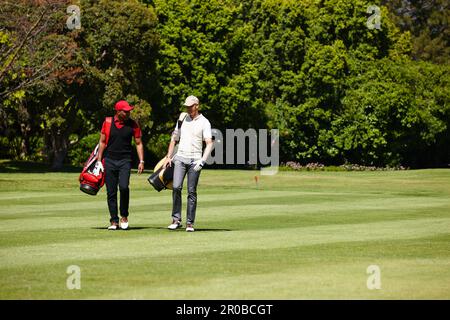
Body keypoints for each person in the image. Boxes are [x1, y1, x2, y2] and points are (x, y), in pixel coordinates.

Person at [163, 95, 213, 232]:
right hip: (180, 158)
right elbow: (174, 138)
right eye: (187, 106)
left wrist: (202, 161)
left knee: (192, 191)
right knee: (176, 187)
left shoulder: (204, 122)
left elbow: (209, 143)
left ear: (197, 106)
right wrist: (169, 156)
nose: (188, 108)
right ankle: (176, 219)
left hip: (195, 160)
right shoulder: (182, 119)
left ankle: (190, 223)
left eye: (191, 106)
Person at [97, 100, 145, 230]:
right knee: (111, 192)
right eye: (126, 111)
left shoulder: (133, 124)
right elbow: (102, 142)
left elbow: (138, 143)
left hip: (125, 160)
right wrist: (98, 160)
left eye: (129, 111)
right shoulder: (107, 122)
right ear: (118, 111)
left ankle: (124, 215)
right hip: (109, 160)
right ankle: (114, 221)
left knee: (124, 187)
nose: (128, 113)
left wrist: (141, 161)